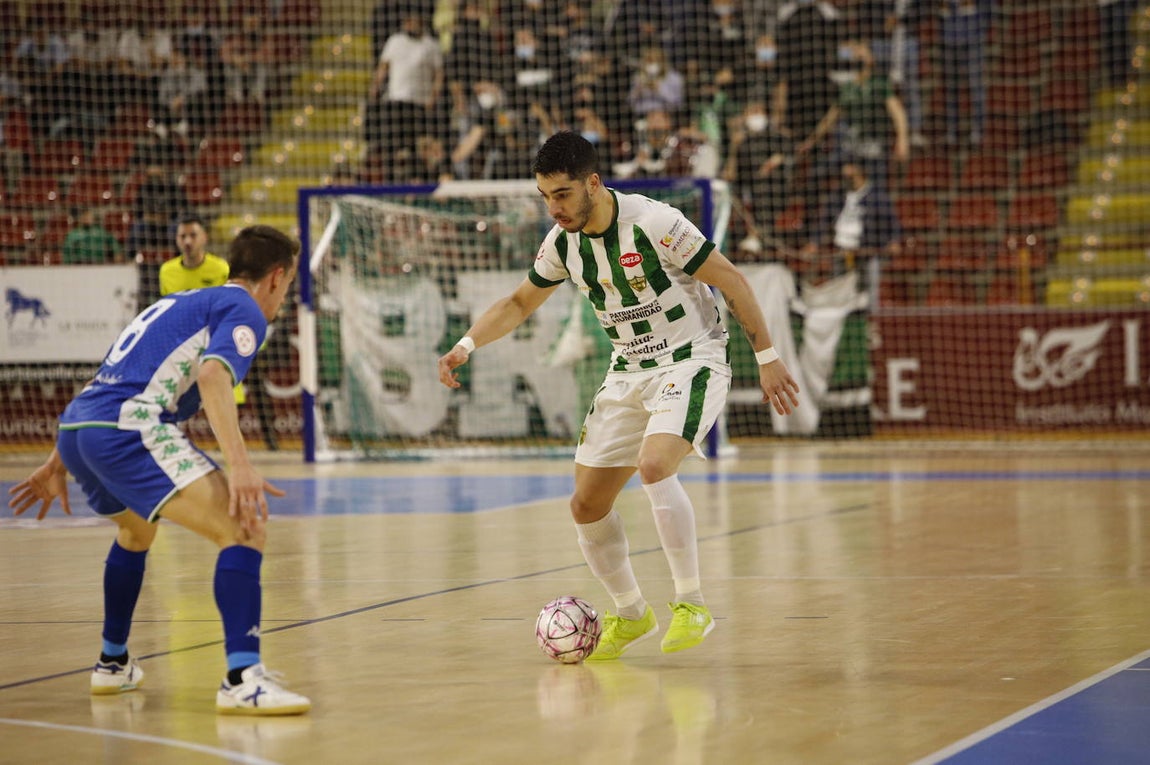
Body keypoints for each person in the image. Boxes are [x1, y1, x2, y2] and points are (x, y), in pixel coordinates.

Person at [437, 132, 800, 659]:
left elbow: (734, 281)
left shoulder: (655, 224)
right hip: (627, 370)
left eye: (562, 194)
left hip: (692, 357)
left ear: (593, 182)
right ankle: (631, 613)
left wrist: (767, 359)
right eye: (545, 197)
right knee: (586, 504)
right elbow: (518, 303)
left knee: (655, 465)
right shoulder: (562, 243)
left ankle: (692, 602)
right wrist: (465, 345)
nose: (553, 208)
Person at [7, 225, 309, 716]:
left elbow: (102, 379)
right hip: (127, 429)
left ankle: (112, 663)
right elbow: (213, 376)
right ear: (276, 278)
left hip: (80, 426)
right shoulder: (245, 311)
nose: (284, 295)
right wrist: (241, 465)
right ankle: (243, 678)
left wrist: (59, 457)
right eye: (289, 285)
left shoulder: (175, 304)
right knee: (245, 528)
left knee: (135, 532)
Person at [159, 215, 230, 295]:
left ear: (204, 237)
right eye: (183, 236)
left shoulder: (221, 269)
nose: (187, 242)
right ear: (176, 239)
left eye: (193, 235)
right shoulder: (166, 271)